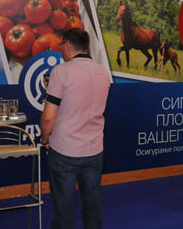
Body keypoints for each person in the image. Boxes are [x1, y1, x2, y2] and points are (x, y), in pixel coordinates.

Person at [40, 29, 110, 229]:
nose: (60, 49)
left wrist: (44, 139)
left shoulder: (61, 71)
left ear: (69, 45)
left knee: (64, 209)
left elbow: (48, 117)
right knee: (92, 206)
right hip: (94, 149)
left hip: (65, 149)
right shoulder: (103, 72)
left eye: (61, 45)